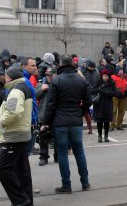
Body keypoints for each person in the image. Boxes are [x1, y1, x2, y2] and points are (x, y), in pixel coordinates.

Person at [41, 56, 92, 194]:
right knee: (79, 151)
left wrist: (45, 122)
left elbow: (50, 105)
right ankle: (85, 183)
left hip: (60, 121)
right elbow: (88, 100)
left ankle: (66, 185)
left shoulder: (56, 80)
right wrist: (80, 112)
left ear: (61, 64)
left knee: (63, 153)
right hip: (75, 120)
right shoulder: (81, 80)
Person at [0, 68, 34, 206]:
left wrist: (2, 122)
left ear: (10, 78)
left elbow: (13, 112)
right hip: (21, 134)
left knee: (2, 169)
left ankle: (20, 200)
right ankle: (26, 200)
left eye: (5, 76)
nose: (4, 78)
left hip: (13, 135)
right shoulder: (24, 87)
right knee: (22, 171)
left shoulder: (16, 90)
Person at [93, 70, 121, 143]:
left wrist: (105, 92)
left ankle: (106, 136)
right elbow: (92, 91)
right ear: (101, 76)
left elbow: (116, 93)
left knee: (106, 122)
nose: (105, 77)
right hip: (98, 104)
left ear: (108, 77)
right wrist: (98, 90)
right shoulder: (99, 83)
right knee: (99, 122)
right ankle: (99, 136)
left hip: (107, 104)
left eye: (106, 76)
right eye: (103, 76)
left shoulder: (111, 83)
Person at [36, 67, 56, 166]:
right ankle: (43, 157)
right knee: (43, 137)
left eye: (51, 75)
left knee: (57, 137)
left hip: (55, 115)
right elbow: (35, 95)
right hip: (43, 115)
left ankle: (57, 156)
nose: (49, 77)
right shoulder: (41, 84)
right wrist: (42, 90)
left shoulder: (57, 84)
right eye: (47, 75)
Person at [82, 61, 99, 135]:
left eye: (93, 67)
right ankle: (86, 128)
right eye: (90, 67)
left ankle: (90, 128)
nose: (92, 68)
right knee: (85, 112)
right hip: (85, 93)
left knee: (89, 111)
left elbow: (99, 81)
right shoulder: (83, 72)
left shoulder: (96, 72)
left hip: (94, 92)